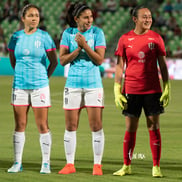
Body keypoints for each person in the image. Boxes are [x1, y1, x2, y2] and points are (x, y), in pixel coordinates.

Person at [113, 5, 170, 178]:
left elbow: (162, 64)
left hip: (152, 89)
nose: (148, 19)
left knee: (154, 126)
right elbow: (119, 65)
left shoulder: (156, 38)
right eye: (144, 16)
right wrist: (117, 88)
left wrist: (167, 85)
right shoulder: (124, 39)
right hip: (131, 89)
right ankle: (126, 165)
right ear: (135, 19)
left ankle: (156, 166)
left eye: (150, 16)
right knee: (130, 128)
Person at [7, 4, 58, 174]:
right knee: (19, 124)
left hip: (40, 87)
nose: (34, 18)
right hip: (19, 86)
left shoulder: (45, 37)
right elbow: (13, 60)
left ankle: (46, 163)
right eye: (30, 15)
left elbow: (54, 61)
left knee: (42, 125)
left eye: (36, 15)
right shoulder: (15, 37)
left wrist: (44, 78)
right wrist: (21, 75)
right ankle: (17, 162)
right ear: (23, 18)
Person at [58, 2, 106, 176]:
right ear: (76, 18)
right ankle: (70, 164)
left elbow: (99, 60)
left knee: (96, 125)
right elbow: (62, 60)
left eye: (91, 17)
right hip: (73, 84)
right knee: (70, 125)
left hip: (94, 85)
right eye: (85, 17)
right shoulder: (68, 33)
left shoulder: (97, 33)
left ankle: (97, 165)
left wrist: (85, 45)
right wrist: (78, 48)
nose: (89, 20)